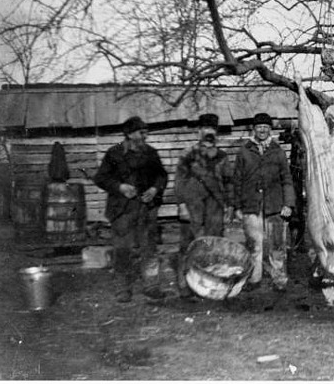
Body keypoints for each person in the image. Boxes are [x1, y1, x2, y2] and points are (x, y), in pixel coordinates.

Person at [94, 116, 169, 303]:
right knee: (122, 250)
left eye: (146, 132)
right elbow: (101, 178)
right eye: (141, 133)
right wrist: (120, 187)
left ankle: (151, 286)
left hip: (146, 209)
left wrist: (154, 189)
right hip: (122, 210)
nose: (145, 136)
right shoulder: (114, 154)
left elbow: (161, 175)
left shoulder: (151, 154)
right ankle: (123, 288)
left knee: (149, 249)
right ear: (128, 134)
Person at [233, 112, 296, 292]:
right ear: (254, 129)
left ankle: (279, 280)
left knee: (277, 245)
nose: (262, 130)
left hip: (275, 206)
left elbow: (287, 179)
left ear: (270, 129)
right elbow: (237, 181)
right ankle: (254, 279)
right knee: (254, 245)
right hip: (251, 206)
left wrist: (288, 204)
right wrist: (237, 206)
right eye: (259, 126)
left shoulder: (277, 152)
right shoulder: (244, 151)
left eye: (265, 127)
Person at [174, 113, 234, 298]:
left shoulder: (222, 156)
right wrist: (181, 204)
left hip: (214, 208)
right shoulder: (188, 154)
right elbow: (179, 181)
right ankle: (185, 283)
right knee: (188, 244)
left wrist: (229, 205)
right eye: (206, 129)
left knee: (213, 245)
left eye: (213, 130)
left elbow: (229, 181)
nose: (209, 133)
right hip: (192, 207)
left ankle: (208, 283)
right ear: (199, 131)